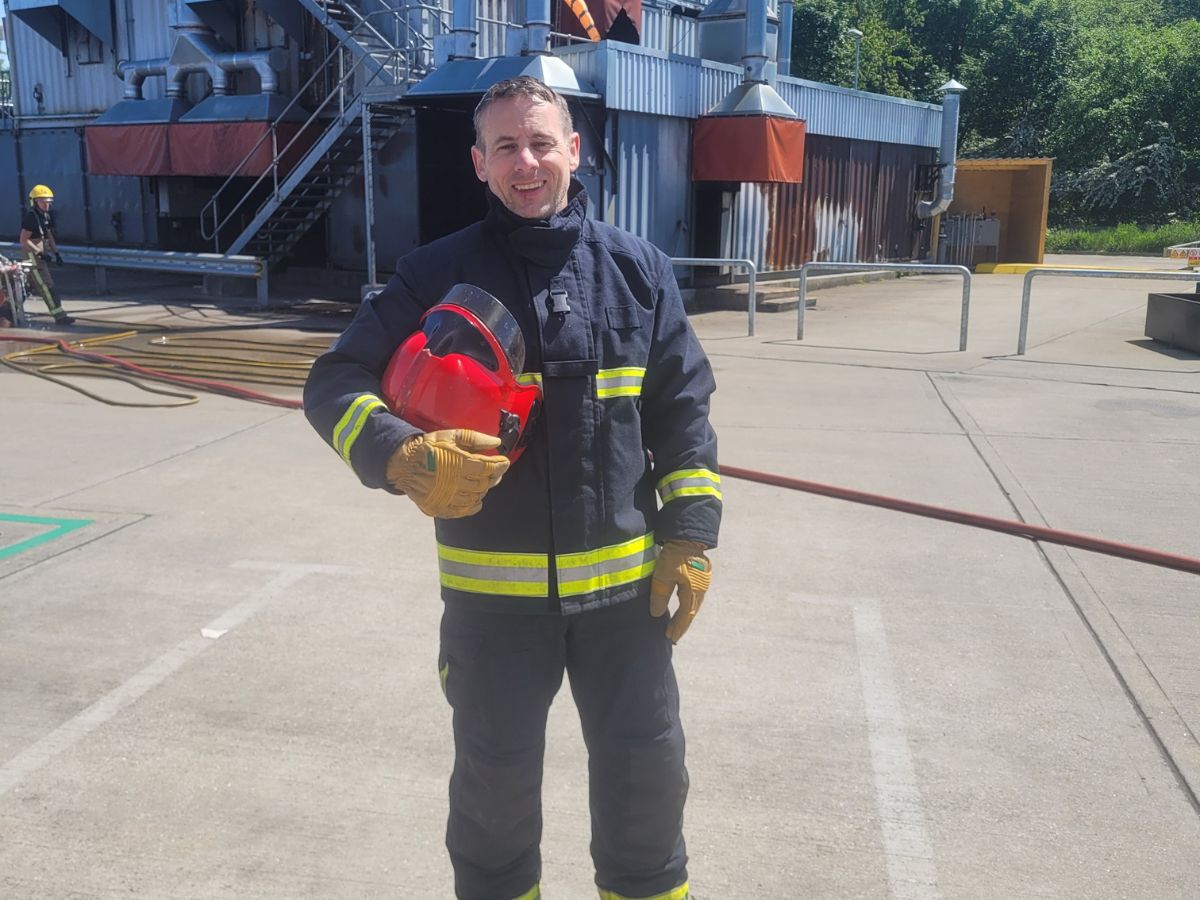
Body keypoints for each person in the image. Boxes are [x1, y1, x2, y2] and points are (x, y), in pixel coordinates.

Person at [304, 76, 721, 900]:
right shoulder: (435, 273)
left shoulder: (640, 274)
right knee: (492, 803)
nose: (525, 162)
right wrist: (399, 454)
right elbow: (332, 381)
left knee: (647, 785)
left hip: (625, 605)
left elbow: (682, 415)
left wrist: (692, 533)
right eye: (505, 147)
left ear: (574, 149)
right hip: (494, 612)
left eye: (540, 142)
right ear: (479, 164)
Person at [20, 184, 75, 326]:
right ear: (35, 201)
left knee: (28, 286)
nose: (47, 204)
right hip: (33, 257)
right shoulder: (31, 218)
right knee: (46, 285)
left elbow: (48, 234)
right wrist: (39, 253)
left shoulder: (45, 216)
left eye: (49, 201)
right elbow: (24, 240)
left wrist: (56, 253)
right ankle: (59, 316)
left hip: (41, 253)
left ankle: (7, 310)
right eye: (43, 201)